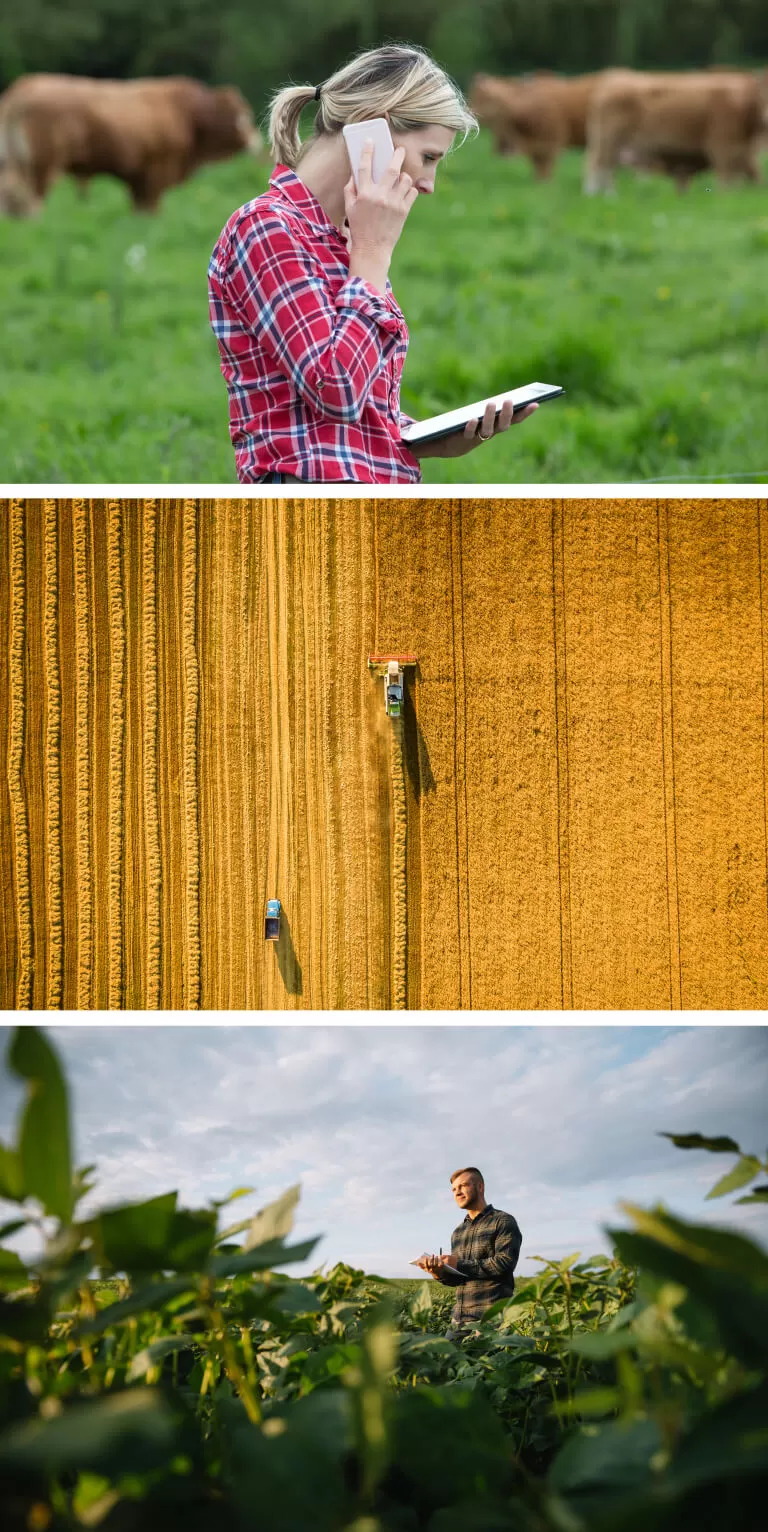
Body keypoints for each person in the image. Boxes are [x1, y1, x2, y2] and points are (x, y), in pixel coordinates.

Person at [208, 44, 539, 484]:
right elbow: (336, 389)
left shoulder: (347, 237)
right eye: (429, 157)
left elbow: (346, 410)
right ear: (373, 132)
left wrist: (426, 438)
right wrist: (372, 252)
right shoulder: (267, 228)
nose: (429, 184)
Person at [417, 1165, 522, 1338]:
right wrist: (439, 1273)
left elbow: (504, 1263)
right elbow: (459, 1277)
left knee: (487, 1364)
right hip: (459, 1318)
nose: (457, 1192)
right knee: (446, 1362)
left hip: (491, 1319)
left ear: (480, 1187)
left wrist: (458, 1263)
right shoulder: (458, 1232)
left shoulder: (503, 1221)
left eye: (463, 1186)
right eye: (454, 1189)